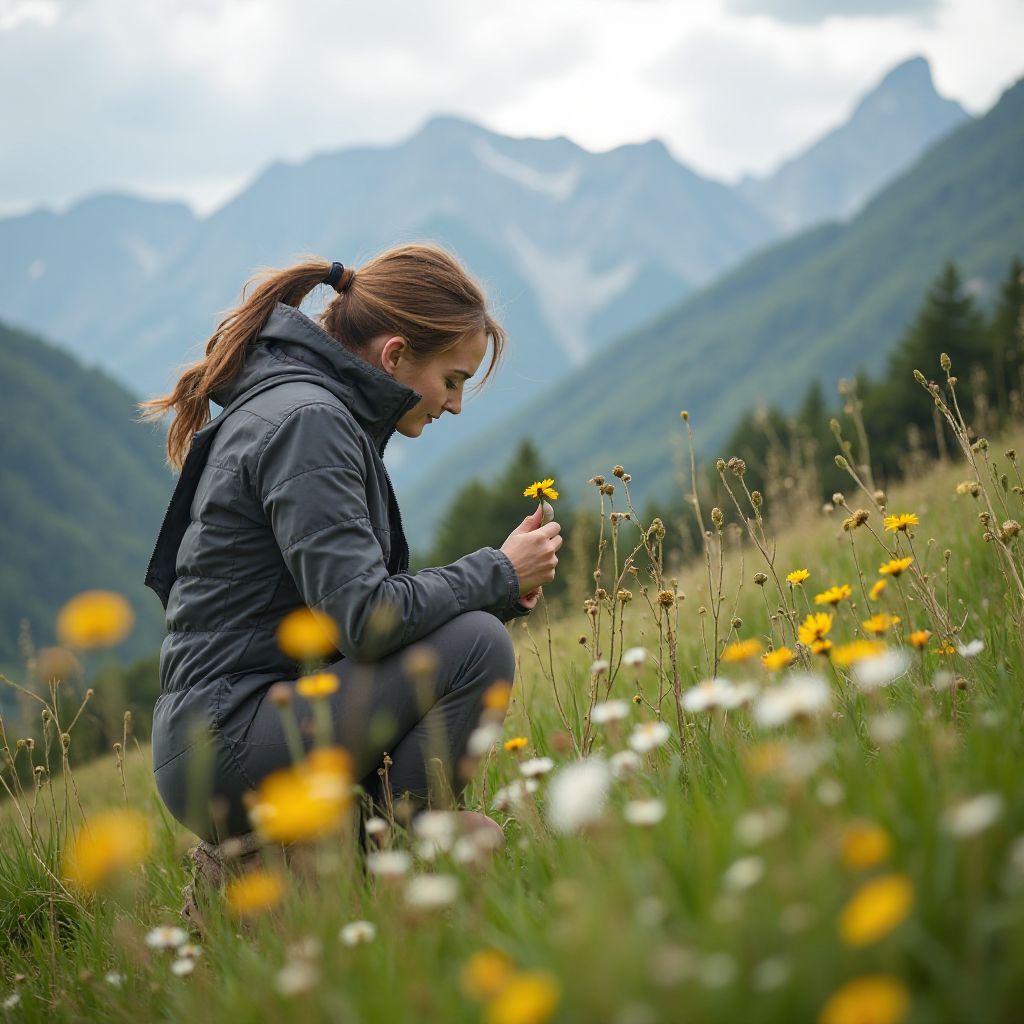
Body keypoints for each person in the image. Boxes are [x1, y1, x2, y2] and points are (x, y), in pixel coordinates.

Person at [137, 243, 562, 854]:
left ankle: (347, 853)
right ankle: (386, 859)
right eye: (452, 380)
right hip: (228, 739)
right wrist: (497, 570)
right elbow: (366, 617)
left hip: (237, 725)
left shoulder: (305, 407)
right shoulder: (310, 421)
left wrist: (501, 585)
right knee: (477, 645)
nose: (454, 404)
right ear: (394, 355)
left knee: (468, 657)